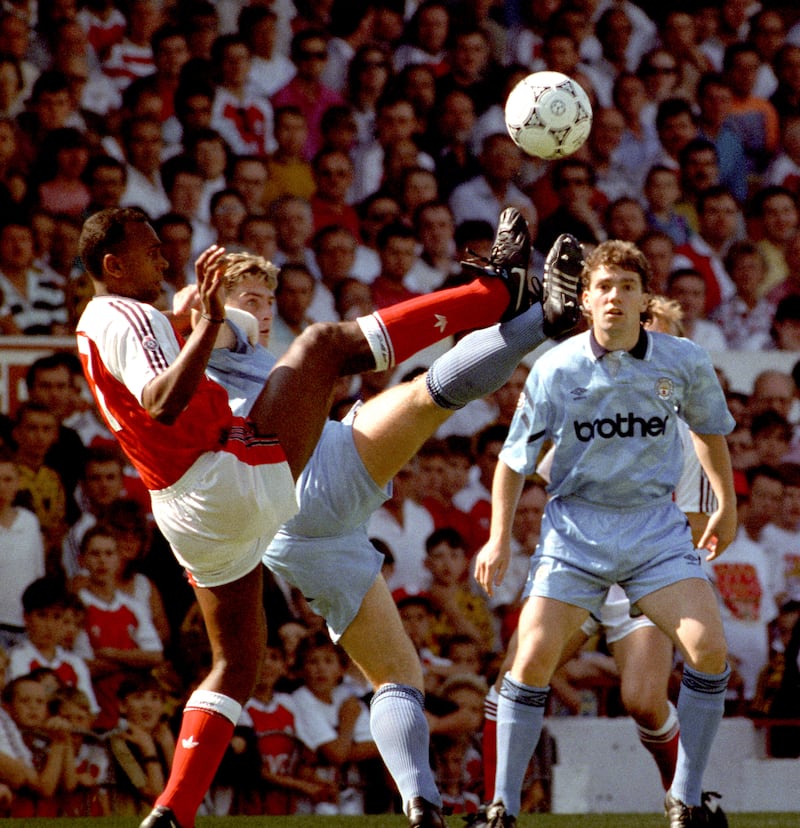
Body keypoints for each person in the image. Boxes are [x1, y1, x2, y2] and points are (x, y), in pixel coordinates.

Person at [76, 205, 582, 828]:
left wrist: (219, 316)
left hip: (230, 522)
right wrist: (212, 313)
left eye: (268, 296)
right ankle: (510, 297)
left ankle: (411, 802)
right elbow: (179, 369)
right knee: (392, 378)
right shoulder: (171, 317)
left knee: (350, 668)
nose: (262, 307)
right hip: (260, 475)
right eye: (250, 293)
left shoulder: (159, 327)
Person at [475, 239, 737, 828]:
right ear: (585, 300)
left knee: (708, 650)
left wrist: (727, 504)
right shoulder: (555, 367)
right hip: (575, 531)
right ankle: (501, 808)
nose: (614, 297)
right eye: (602, 287)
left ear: (645, 299)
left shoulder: (684, 360)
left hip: (654, 531)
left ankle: (686, 800)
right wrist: (496, 538)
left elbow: (711, 433)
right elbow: (514, 461)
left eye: (626, 286)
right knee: (531, 657)